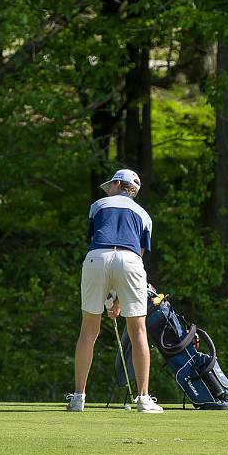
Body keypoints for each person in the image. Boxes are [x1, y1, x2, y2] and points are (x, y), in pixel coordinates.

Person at [66, 169, 163, 413]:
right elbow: (134, 255)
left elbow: (102, 246)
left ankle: (78, 397)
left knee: (89, 328)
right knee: (138, 329)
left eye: (110, 184)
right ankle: (143, 399)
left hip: (96, 258)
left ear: (118, 184)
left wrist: (111, 297)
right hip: (130, 261)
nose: (108, 188)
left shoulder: (98, 205)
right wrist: (117, 297)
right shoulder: (144, 215)